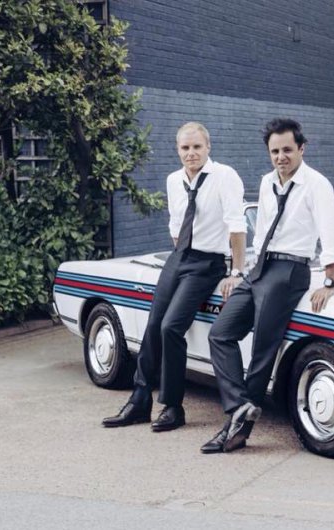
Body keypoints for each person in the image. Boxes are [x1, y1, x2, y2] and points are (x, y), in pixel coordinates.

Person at [201, 118, 334, 454]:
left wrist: (329, 281)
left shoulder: (317, 184)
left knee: (263, 349)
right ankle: (239, 406)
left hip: (290, 270)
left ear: (302, 148)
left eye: (287, 150)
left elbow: (329, 233)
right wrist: (245, 270)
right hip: (261, 267)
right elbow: (262, 230)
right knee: (220, 333)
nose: (281, 157)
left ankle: (236, 431)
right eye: (275, 151)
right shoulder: (267, 182)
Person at [102, 122, 247, 432]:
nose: (191, 153)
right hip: (179, 257)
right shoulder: (173, 180)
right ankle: (139, 401)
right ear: (178, 150)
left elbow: (237, 227)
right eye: (185, 148)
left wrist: (236, 272)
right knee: (153, 325)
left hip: (208, 263)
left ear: (208, 147)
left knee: (171, 327)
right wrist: (180, 254)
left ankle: (172, 406)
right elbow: (175, 225)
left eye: (197, 147)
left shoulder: (225, 176)